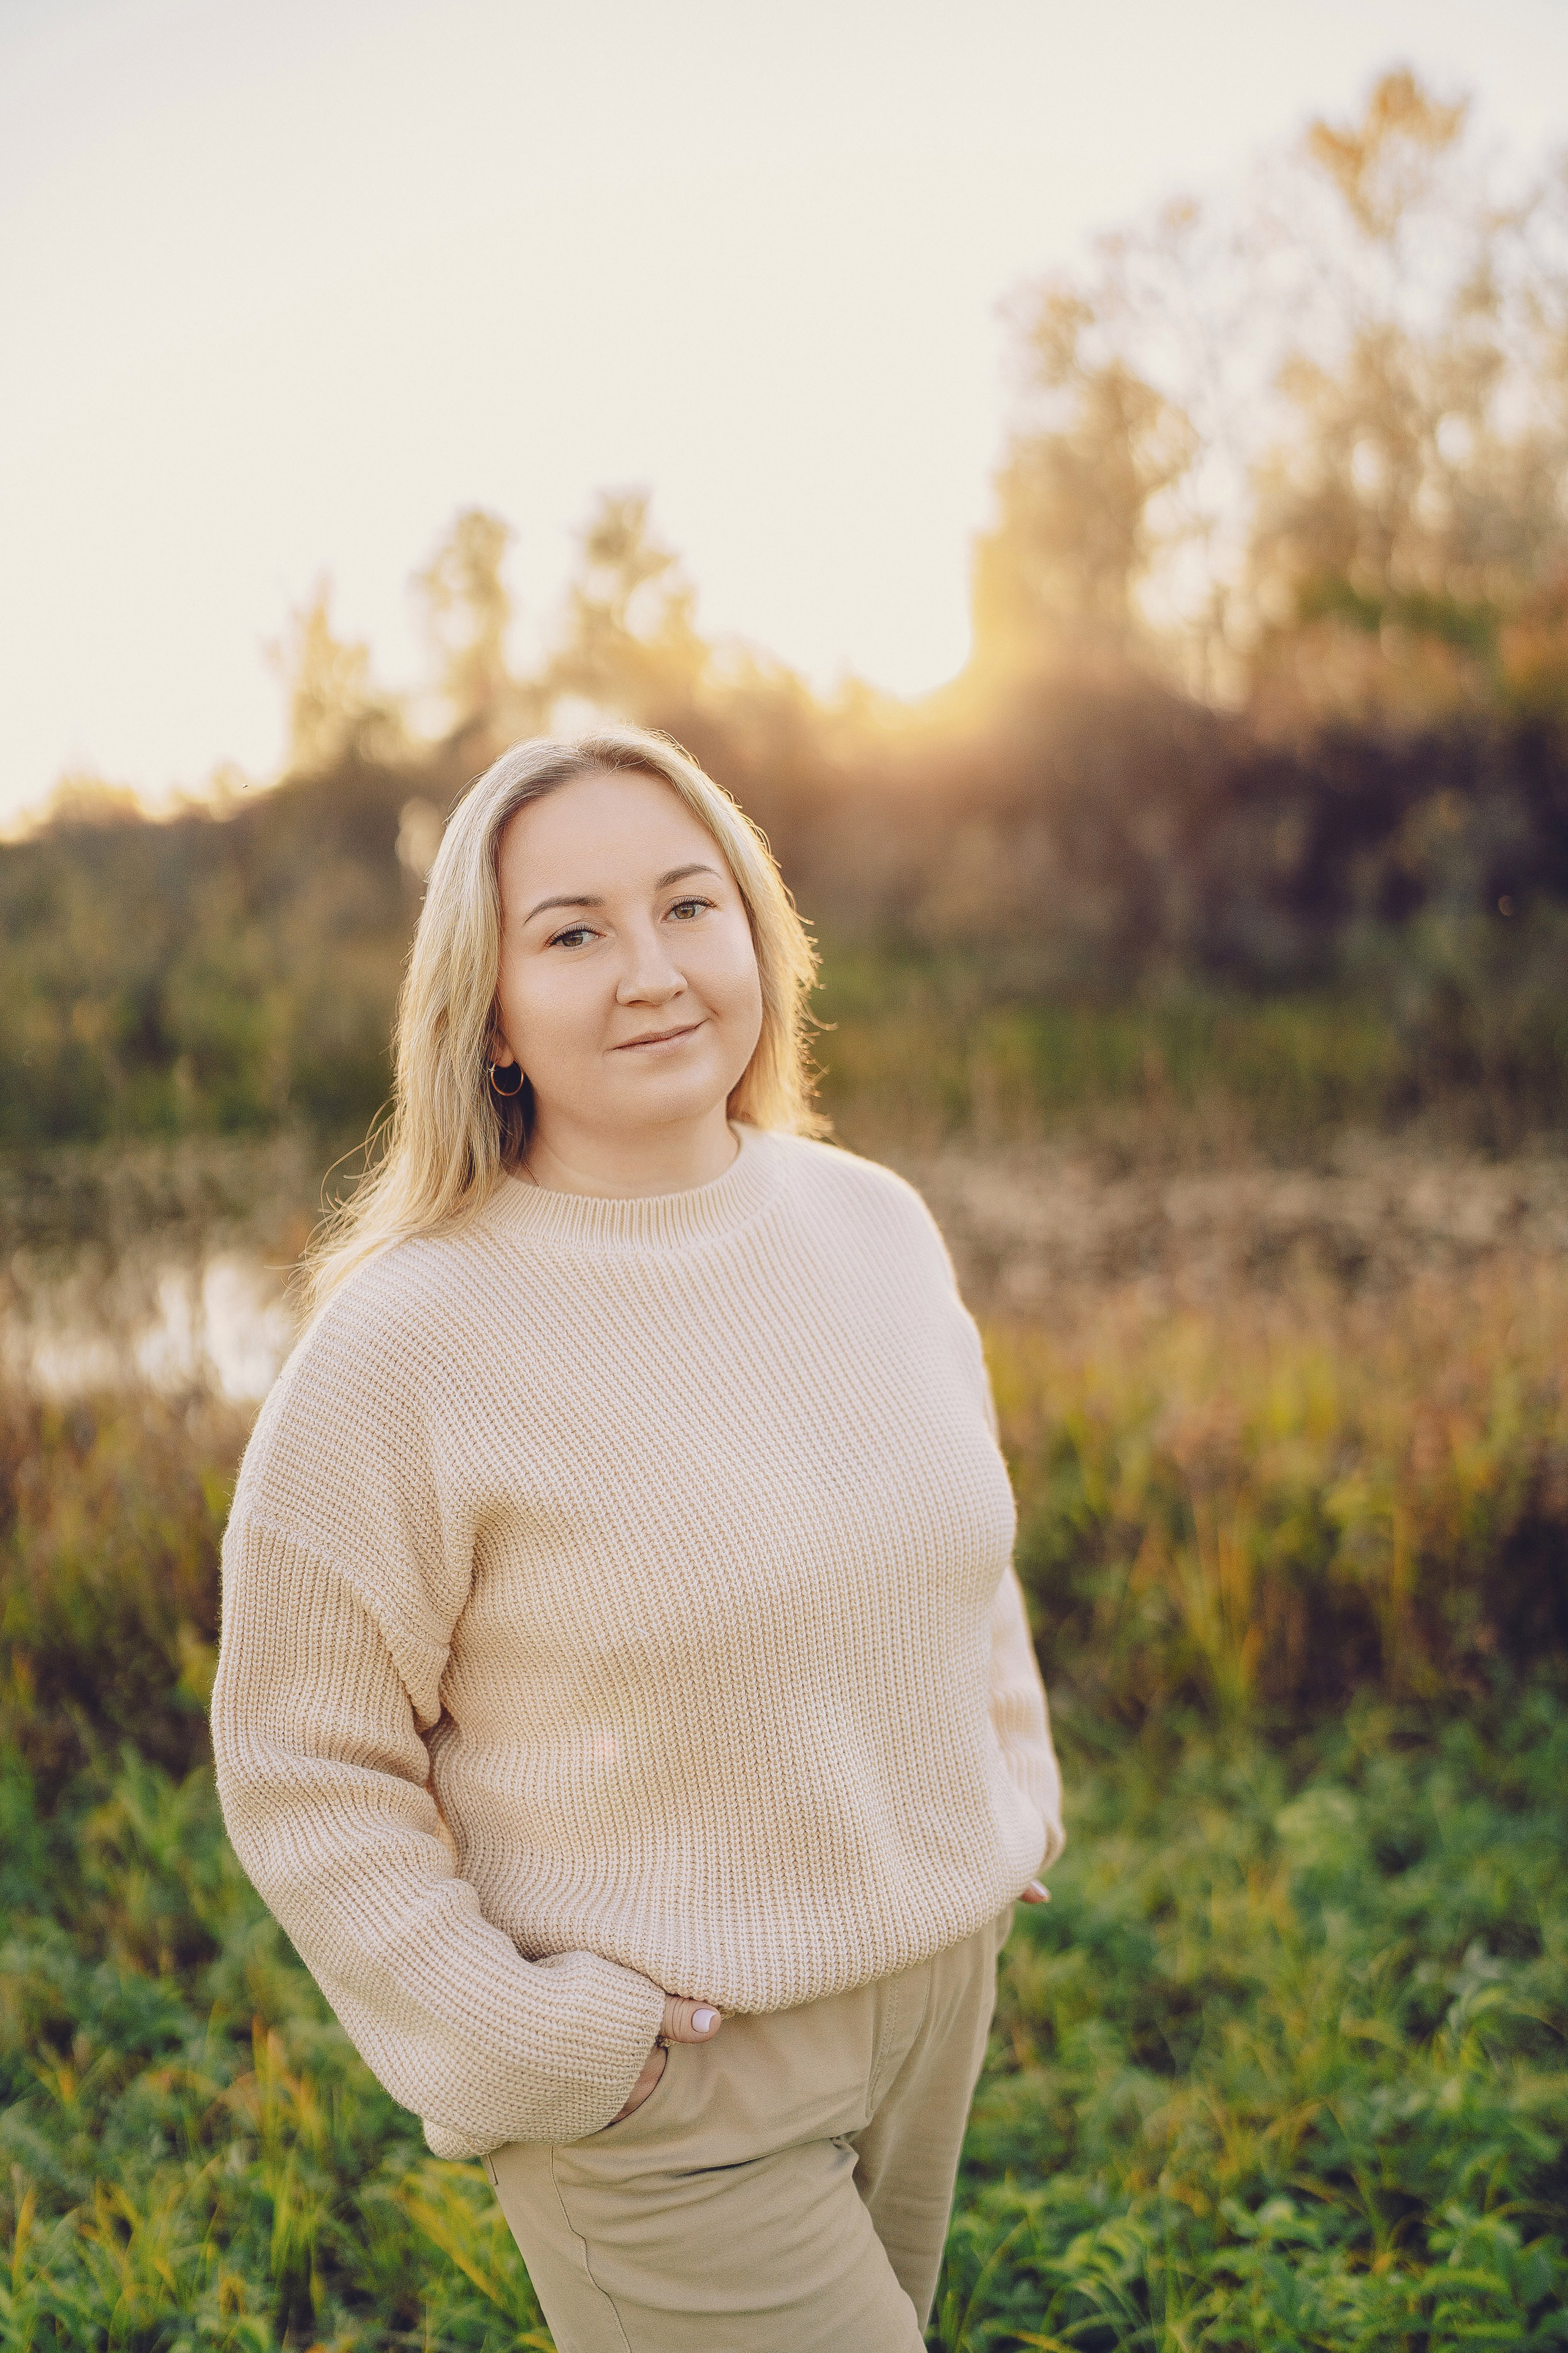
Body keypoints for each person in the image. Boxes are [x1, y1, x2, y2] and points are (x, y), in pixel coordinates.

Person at [211, 725, 1064, 2353]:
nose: (653, 969)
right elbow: (300, 1761)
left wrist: (1006, 1793)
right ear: (493, 1009)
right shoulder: (408, 1340)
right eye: (575, 930)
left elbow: (959, 1545)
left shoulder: (871, 1221)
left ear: (758, 931)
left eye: (690, 904)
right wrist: (532, 2041)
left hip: (931, 1999)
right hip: (665, 2079)